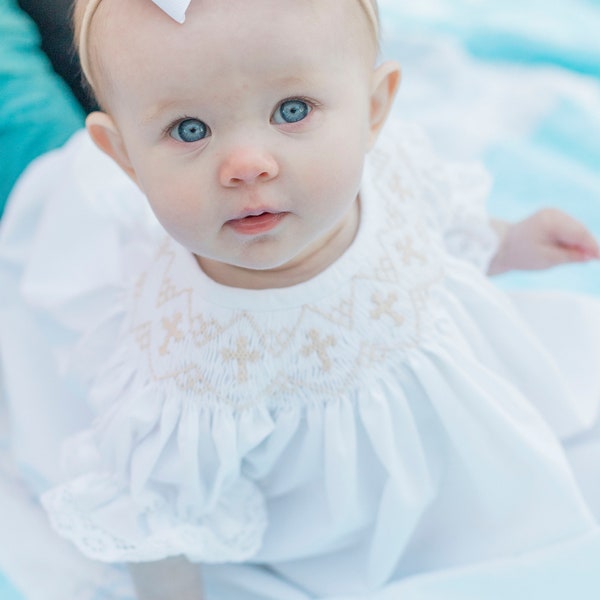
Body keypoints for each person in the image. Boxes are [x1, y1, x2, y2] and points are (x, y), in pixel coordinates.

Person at [2, 0, 600, 599]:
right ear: (125, 159)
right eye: (191, 130)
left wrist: (512, 242)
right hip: (46, 199)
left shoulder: (384, 170)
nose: (247, 165)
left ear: (373, 110)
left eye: (291, 111)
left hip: (449, 490)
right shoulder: (187, 362)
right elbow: (160, 519)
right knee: (19, 103)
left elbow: (438, 226)